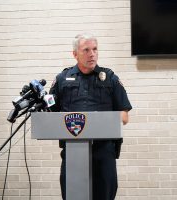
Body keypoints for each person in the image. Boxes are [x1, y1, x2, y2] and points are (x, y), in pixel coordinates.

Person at [49, 33, 132, 200]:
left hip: (104, 153)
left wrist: (98, 121)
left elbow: (124, 116)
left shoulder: (110, 78)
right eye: (86, 50)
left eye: (94, 49)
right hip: (73, 151)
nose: (92, 54)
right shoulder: (62, 79)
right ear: (75, 54)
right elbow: (50, 115)